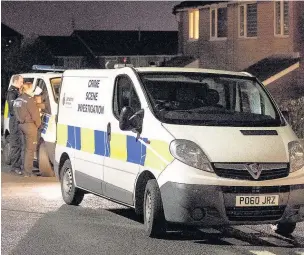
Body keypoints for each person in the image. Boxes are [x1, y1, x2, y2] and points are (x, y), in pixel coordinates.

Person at [13, 82, 41, 177]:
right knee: (30, 150)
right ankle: (28, 172)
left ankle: (23, 168)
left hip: (20, 125)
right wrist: (37, 125)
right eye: (32, 88)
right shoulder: (29, 100)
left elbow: (15, 113)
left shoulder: (17, 99)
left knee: (24, 148)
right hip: (30, 126)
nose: (33, 90)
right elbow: (36, 115)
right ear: (28, 89)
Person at [6, 74, 24, 175]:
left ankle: (18, 166)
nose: (22, 83)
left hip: (17, 120)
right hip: (15, 121)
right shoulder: (12, 93)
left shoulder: (16, 92)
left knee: (19, 144)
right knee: (16, 144)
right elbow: (13, 108)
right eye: (21, 81)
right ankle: (15, 167)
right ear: (16, 81)